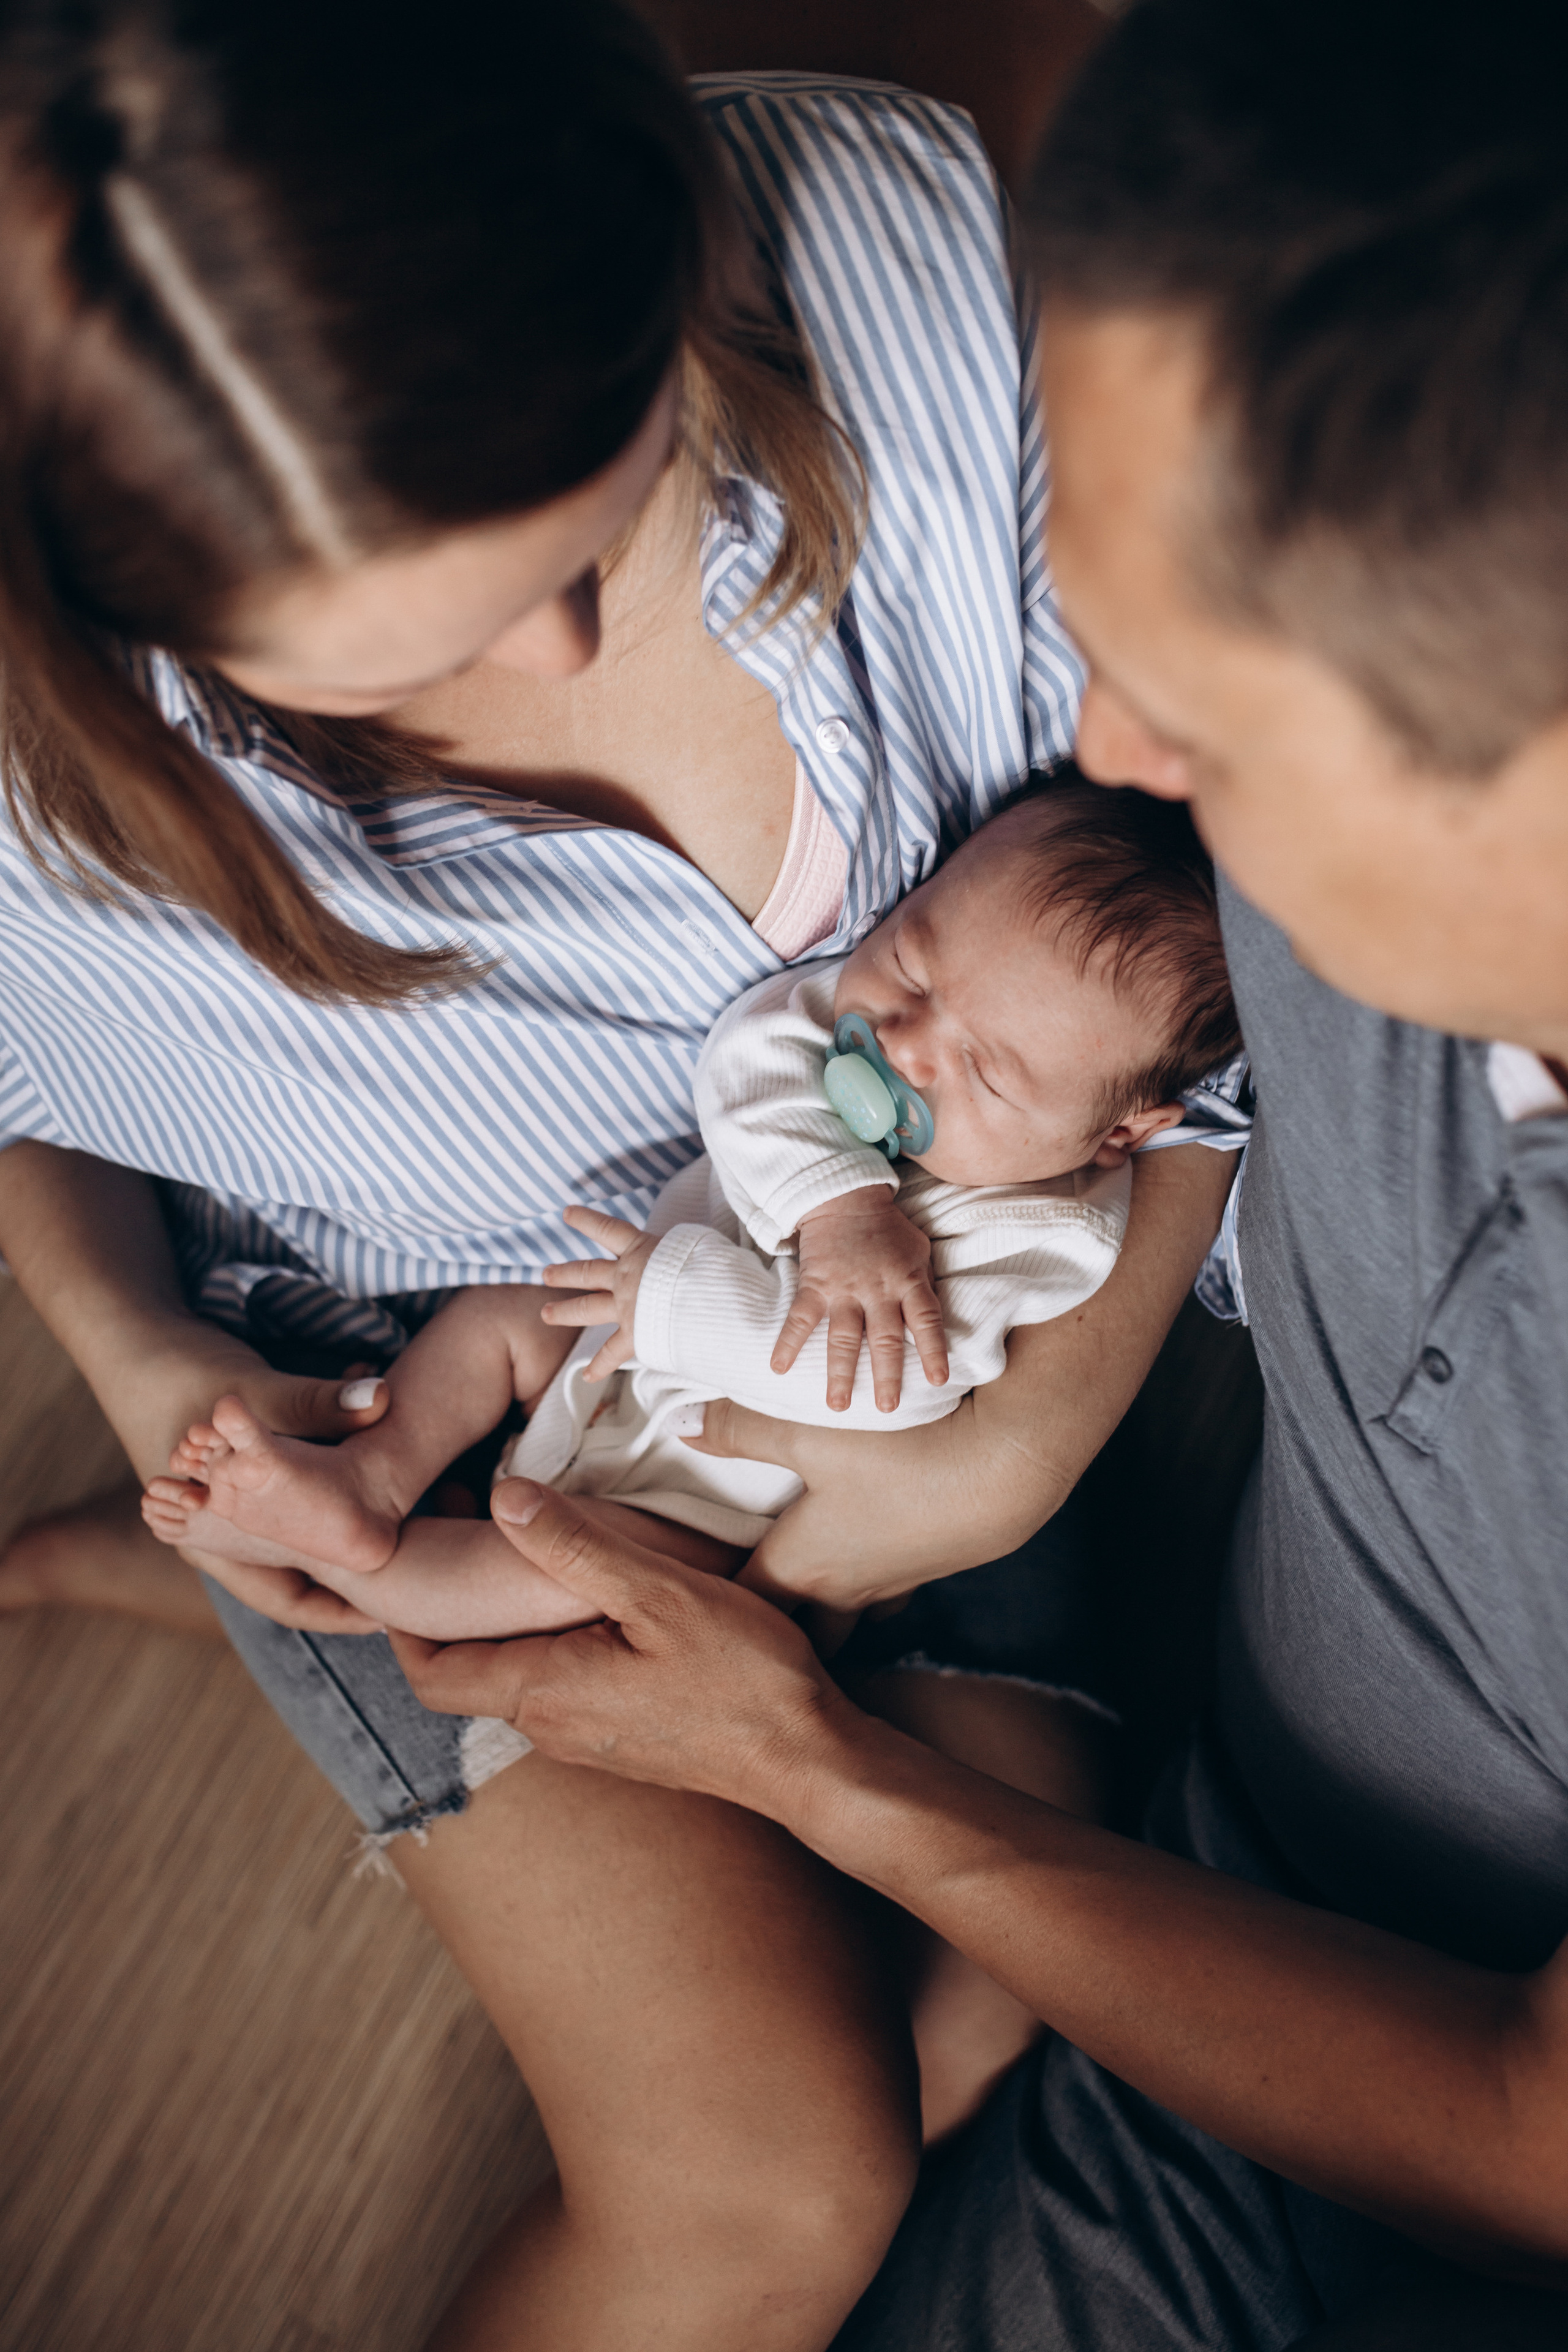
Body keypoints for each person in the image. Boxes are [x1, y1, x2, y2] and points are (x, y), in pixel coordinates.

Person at [0, 1, 1232, 2343]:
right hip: (453, 1401)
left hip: (932, 1395)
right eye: (410, 658)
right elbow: (28, 1093)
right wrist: (143, 1353)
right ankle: (258, 1598)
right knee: (776, 2190)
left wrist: (1018, 1452)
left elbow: (1217, 913)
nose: (572, 645)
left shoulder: (897, 265)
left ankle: (234, 1618)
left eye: (612, 488)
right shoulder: (33, 832)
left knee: (988, 2023)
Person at [382, 1, 1568, 2346]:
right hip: (1203, 1899)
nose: (1100, 751)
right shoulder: (1318, 860)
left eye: (1199, 713)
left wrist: (820, 1771)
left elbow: (1530, 2141)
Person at [137, 780, 1241, 1635]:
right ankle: (373, 1475)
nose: (905, 1043)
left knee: (560, 1573)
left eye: (986, 1072)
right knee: (498, 1321)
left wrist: (672, 1304)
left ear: (1120, 1132)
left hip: (707, 1496)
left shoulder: (1050, 1239)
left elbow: (883, 1381)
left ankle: (346, 1562)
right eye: (911, 961)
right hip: (600, 1342)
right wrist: (841, 1204)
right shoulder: (837, 1021)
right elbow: (747, 1059)